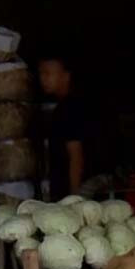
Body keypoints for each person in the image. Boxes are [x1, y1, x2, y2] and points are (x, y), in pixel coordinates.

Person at [37, 51, 90, 201]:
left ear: (66, 76)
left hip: (73, 194)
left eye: (48, 73)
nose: (43, 79)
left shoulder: (69, 109)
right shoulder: (64, 108)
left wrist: (74, 197)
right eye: (41, 73)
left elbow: (76, 156)